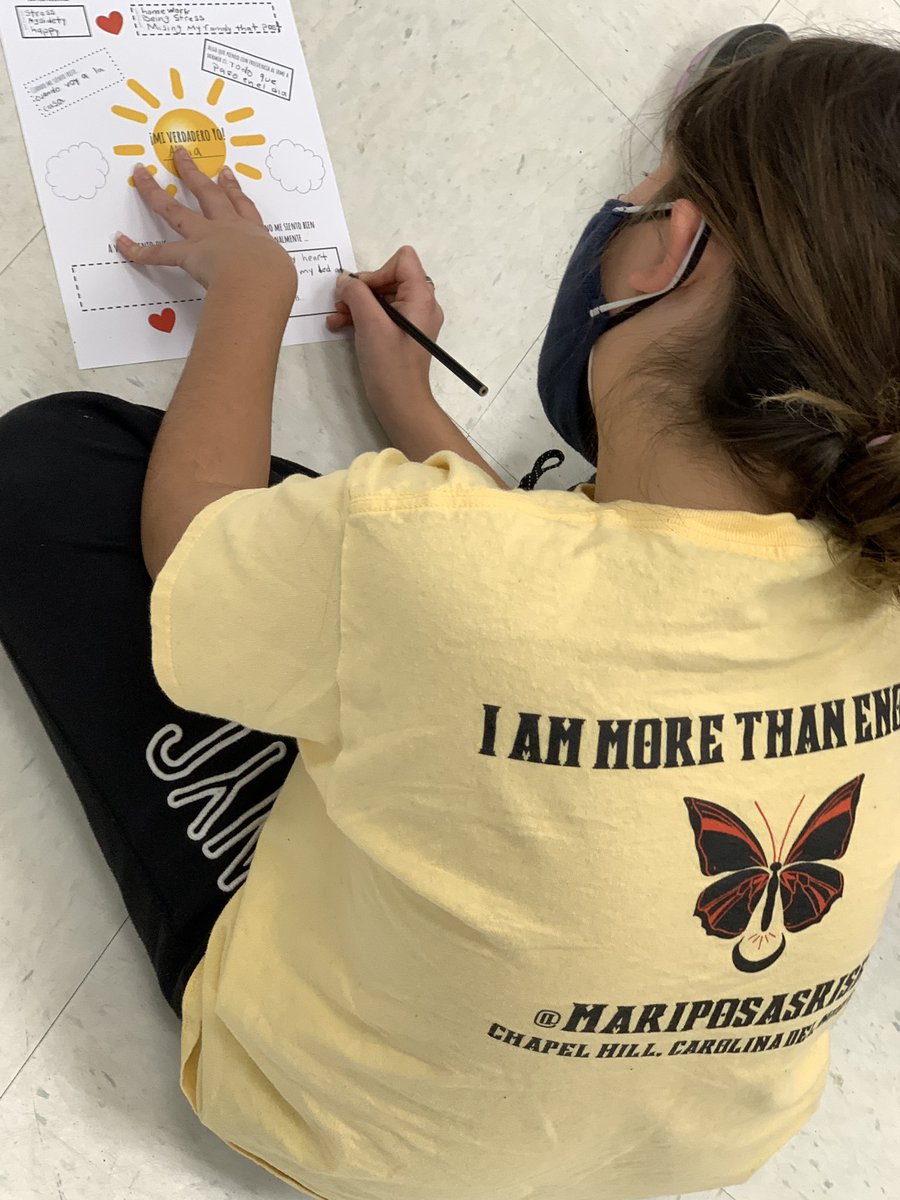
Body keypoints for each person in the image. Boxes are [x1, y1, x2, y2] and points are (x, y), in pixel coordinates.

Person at [0, 23, 898, 1200]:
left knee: (50, 468)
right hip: (679, 1154)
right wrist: (411, 405)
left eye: (639, 194)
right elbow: (552, 595)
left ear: (671, 251)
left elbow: (199, 549)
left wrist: (254, 293)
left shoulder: (417, 556)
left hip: (335, 1128)